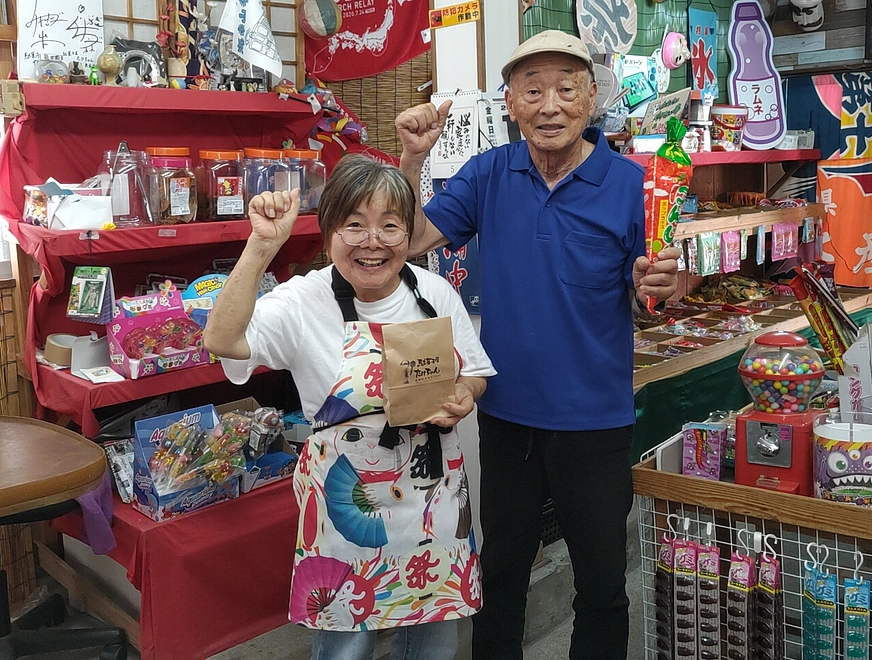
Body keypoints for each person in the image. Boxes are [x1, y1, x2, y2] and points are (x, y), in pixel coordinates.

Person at [395, 29, 682, 660]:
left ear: (590, 99)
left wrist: (662, 287)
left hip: (595, 421)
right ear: (510, 102)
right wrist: (413, 160)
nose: (548, 105)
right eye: (532, 90)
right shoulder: (489, 173)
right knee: (499, 577)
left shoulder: (631, 184)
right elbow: (410, 241)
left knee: (602, 584)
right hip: (506, 417)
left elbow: (650, 305)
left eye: (565, 88)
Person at [204, 156, 495, 660]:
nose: (372, 241)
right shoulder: (301, 301)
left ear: (409, 233)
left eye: (390, 226)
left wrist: (465, 395)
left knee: (432, 643)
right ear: (329, 229)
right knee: (346, 645)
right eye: (354, 225)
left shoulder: (434, 292)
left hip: (434, 501)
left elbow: (474, 372)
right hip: (346, 509)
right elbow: (222, 340)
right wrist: (261, 246)